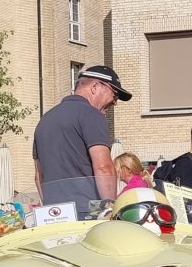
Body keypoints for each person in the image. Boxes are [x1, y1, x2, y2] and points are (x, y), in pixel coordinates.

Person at [33, 65, 130, 215]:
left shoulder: (44, 120)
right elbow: (103, 167)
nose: (115, 102)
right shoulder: (91, 114)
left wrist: (51, 211)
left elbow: (39, 176)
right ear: (95, 87)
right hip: (87, 212)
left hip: (53, 215)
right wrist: (110, 211)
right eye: (114, 94)